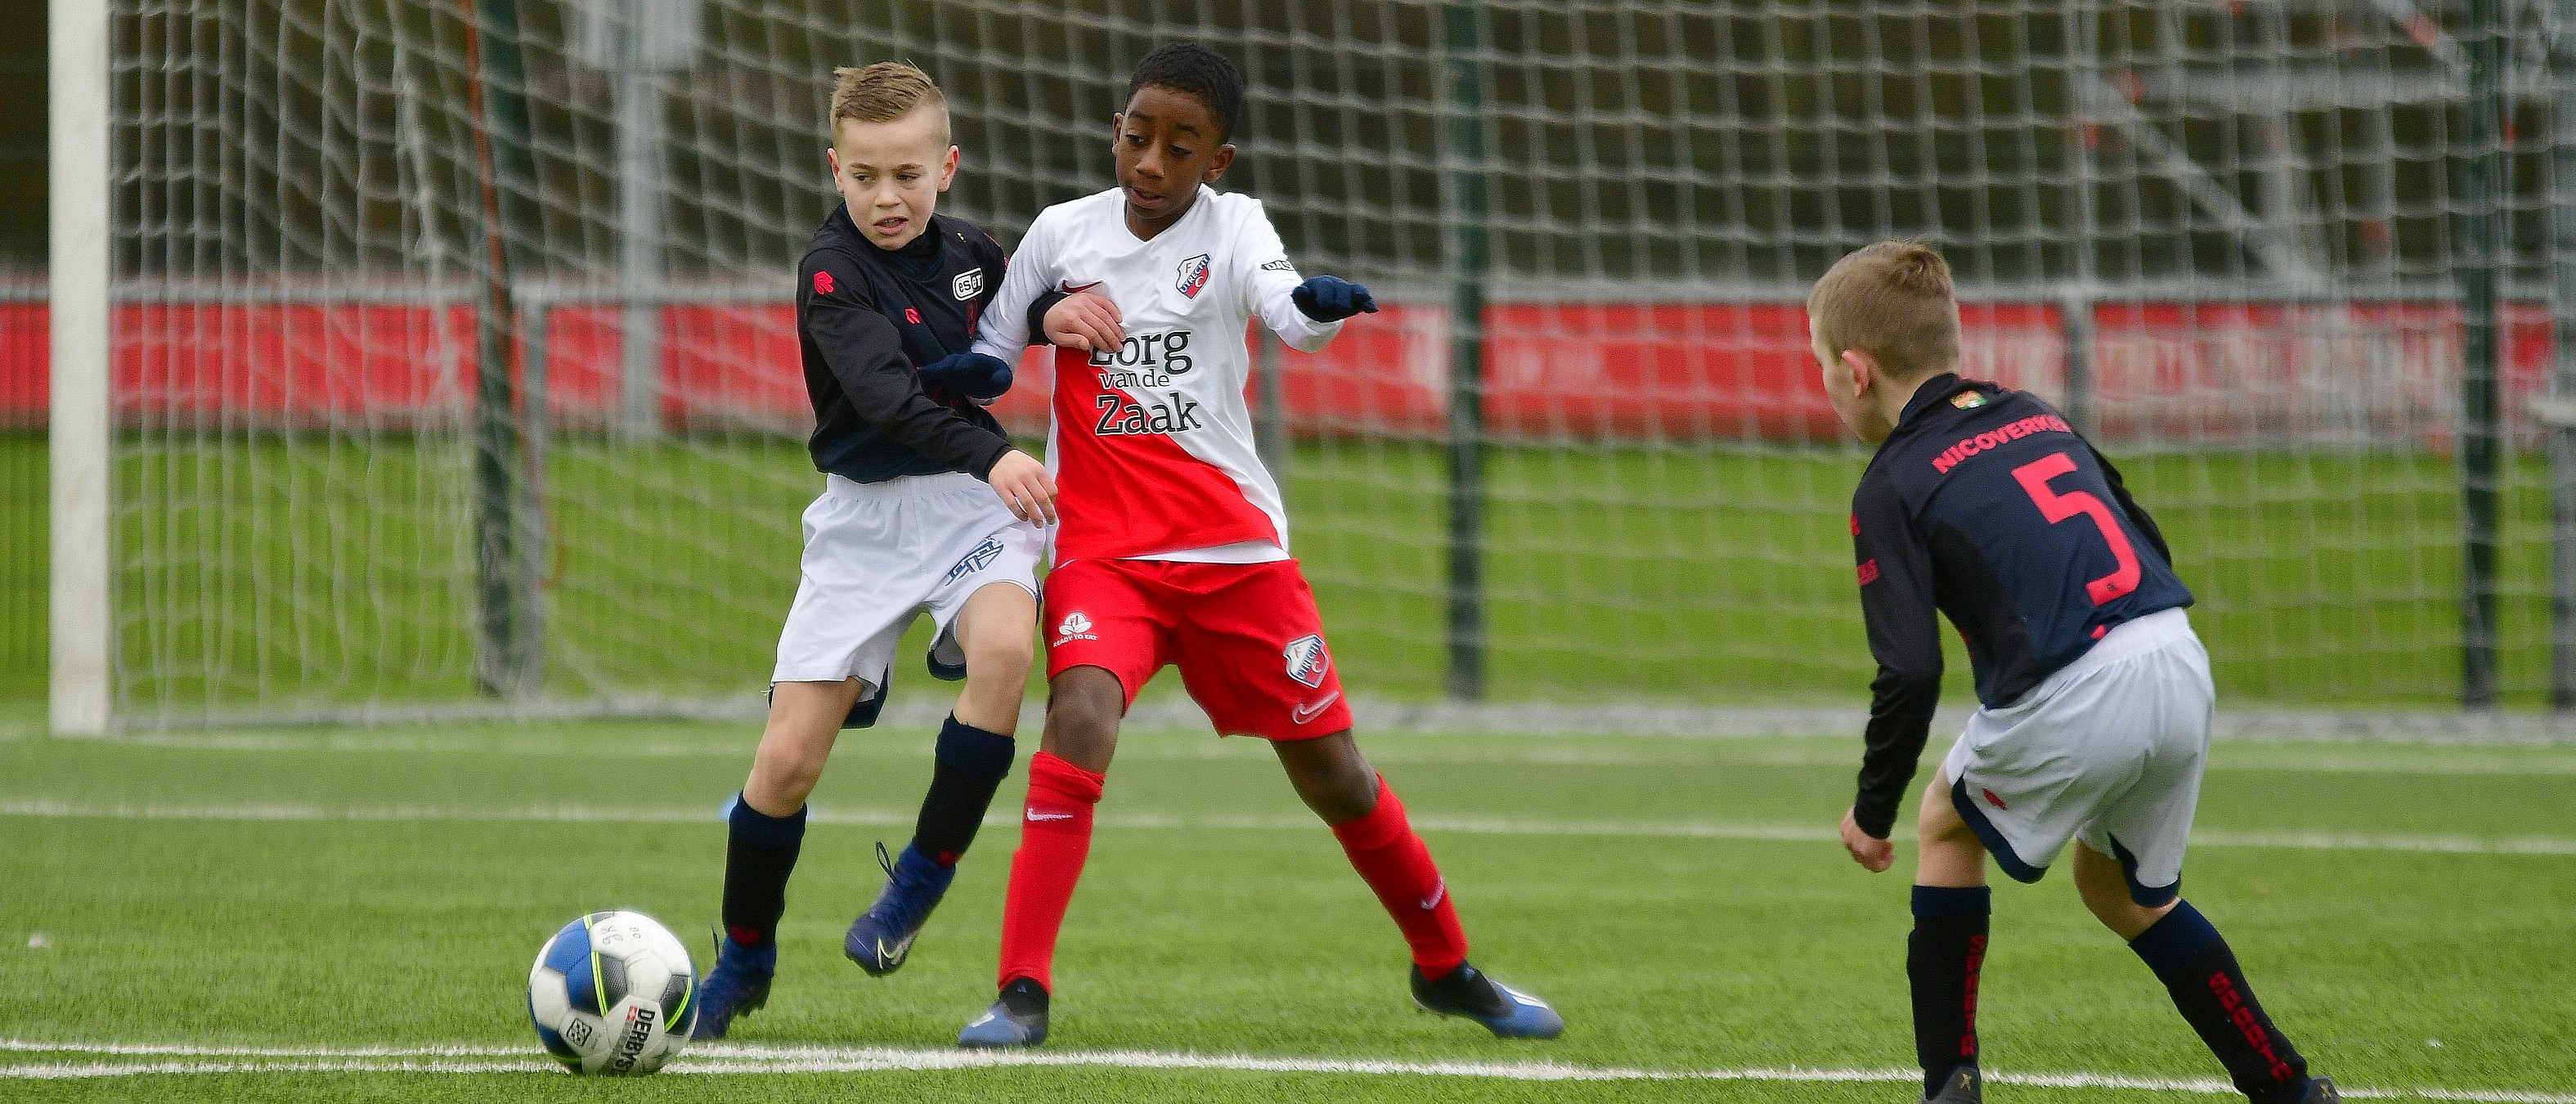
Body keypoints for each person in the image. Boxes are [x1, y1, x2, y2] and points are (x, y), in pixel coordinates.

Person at [947, 42, 1562, 1049]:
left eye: (1179, 147)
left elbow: (1284, 306)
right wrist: (1042, 318)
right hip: (1105, 553)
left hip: (1235, 555)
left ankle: (1448, 969)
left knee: (1336, 775)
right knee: (1080, 714)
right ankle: (1022, 992)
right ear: (1115, 131)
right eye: (1137, 137)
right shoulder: (1060, 233)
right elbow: (991, 350)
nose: (1151, 162)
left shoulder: (1235, 228)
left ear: (1217, 160)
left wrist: (1315, 305)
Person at [1813, 240, 2336, 1104]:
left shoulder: (1890, 483)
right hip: (2174, 653)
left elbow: (1908, 669)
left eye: (1823, 368)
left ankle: (1949, 1085)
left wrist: (1872, 811)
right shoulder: (2032, 412)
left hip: (2084, 684)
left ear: (1856, 370)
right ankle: (2288, 1088)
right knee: (2118, 891)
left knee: (1945, 821)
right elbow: (2141, 529)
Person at [693, 61, 1060, 1040]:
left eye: (907, 174)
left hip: (970, 509)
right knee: (786, 764)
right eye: (864, 176)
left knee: (1006, 652)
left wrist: (1054, 314)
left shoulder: (975, 250)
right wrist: (997, 453)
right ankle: (744, 961)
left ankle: (918, 885)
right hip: (866, 525)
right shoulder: (831, 273)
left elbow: (1018, 312)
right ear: (835, 170)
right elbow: (887, 399)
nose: (886, 197)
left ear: (948, 167)